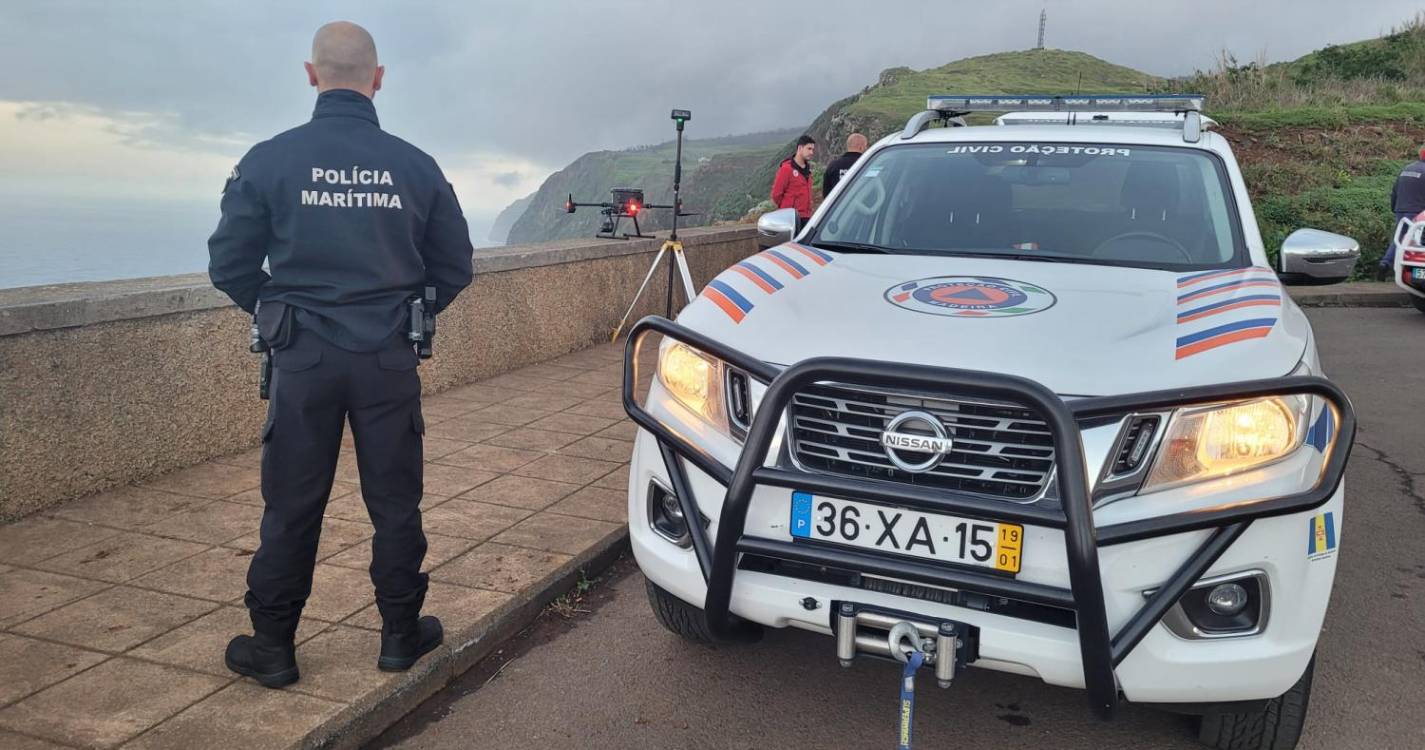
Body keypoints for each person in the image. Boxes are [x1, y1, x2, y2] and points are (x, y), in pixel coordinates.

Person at [208, 20, 474, 688]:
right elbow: (455, 266)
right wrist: (405, 315)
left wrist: (281, 314)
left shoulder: (269, 160)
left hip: (302, 359)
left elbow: (230, 264)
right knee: (394, 503)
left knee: (292, 505)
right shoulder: (415, 165)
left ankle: (272, 646)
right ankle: (398, 636)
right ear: (377, 79)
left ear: (311, 74)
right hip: (387, 356)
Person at [1383, 146, 1425, 273]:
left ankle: (1386, 263)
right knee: (1416, 242)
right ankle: (1413, 271)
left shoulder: (1407, 168)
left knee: (1401, 238)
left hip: (1401, 209)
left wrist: (1394, 207)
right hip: (1418, 212)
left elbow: (1395, 191)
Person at [772, 135, 816, 229]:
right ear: (800, 148)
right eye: (809, 149)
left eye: (812, 149)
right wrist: (787, 208)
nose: (811, 152)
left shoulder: (808, 170)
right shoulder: (786, 169)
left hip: (806, 217)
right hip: (790, 219)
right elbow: (776, 195)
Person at [822, 133, 868, 197]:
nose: (866, 148)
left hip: (841, 206)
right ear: (861, 147)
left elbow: (826, 194)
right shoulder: (868, 164)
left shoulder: (833, 165)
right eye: (866, 146)